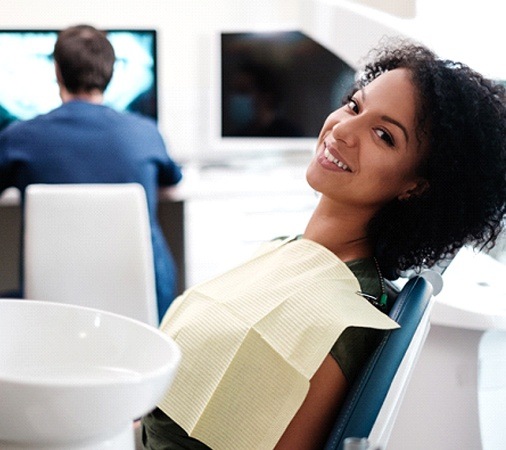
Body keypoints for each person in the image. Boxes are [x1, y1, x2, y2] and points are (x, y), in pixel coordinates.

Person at [141, 38, 506, 449]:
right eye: (354, 105)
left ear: (416, 186)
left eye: (384, 135)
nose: (343, 130)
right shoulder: (292, 249)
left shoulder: (345, 321)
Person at [0, 25, 182, 322]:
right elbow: (173, 180)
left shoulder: (19, 137)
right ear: (110, 73)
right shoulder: (146, 133)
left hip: (53, 306)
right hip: (146, 308)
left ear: (57, 71)